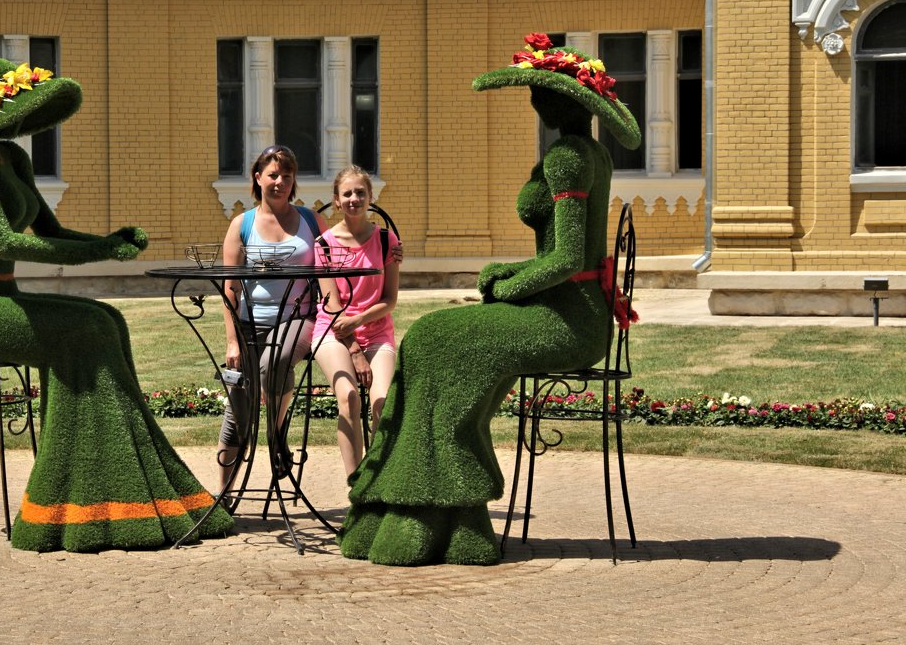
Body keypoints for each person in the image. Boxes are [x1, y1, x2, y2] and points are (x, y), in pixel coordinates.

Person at [339, 34, 642, 566]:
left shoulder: (570, 158)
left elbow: (568, 259)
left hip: (568, 321)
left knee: (435, 339)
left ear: (563, 102)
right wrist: (511, 271)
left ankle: (433, 514)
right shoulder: (588, 152)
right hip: (571, 309)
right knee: (436, 337)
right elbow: (566, 257)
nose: (533, 101)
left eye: (540, 92)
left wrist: (506, 284)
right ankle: (455, 521)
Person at [0, 58, 231, 553]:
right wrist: (98, 252)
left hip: (2, 298)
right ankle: (68, 501)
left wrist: (105, 240)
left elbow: (52, 233)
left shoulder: (13, 160)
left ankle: (132, 482)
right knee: (82, 330)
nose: (25, 119)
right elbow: (3, 244)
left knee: (108, 318)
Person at [216, 145, 326, 491]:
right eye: (273, 174)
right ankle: (224, 496)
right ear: (258, 177)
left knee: (272, 362)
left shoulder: (311, 220)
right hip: (250, 324)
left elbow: (341, 251)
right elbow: (229, 287)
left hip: (298, 318)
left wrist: (387, 246)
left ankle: (276, 436)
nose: (280, 181)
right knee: (236, 413)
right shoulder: (242, 224)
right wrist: (233, 340)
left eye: (287, 176)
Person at [311, 165, 400, 479]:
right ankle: (356, 486)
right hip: (334, 333)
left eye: (360, 192)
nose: (354, 198)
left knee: (382, 403)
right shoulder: (323, 244)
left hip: (376, 330)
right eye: (346, 193)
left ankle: (379, 481)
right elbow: (332, 307)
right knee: (348, 397)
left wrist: (361, 319)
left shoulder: (387, 241)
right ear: (336, 200)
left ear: (370, 197)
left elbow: (390, 299)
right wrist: (355, 351)